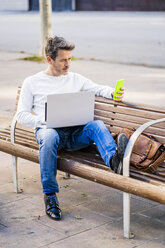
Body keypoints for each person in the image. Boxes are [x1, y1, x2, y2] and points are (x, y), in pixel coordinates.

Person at [16, 36, 128, 221]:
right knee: (50, 135)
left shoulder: (76, 79)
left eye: (70, 59)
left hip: (75, 135)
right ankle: (50, 196)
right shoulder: (32, 82)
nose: (68, 64)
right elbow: (21, 115)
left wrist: (113, 93)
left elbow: (98, 88)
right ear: (49, 60)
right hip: (50, 134)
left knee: (96, 125)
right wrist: (46, 121)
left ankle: (114, 162)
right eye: (63, 60)